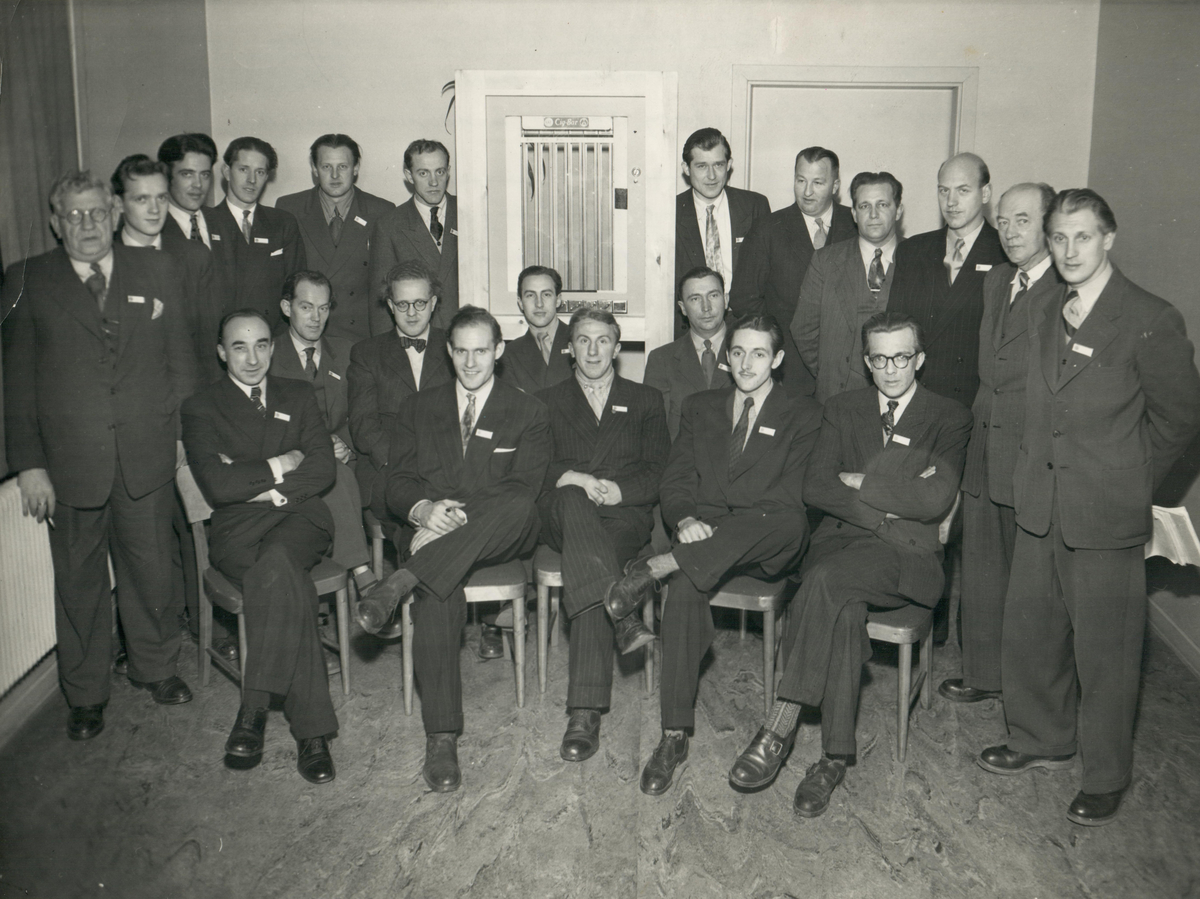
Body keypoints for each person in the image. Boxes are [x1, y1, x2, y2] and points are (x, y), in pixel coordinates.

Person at [979, 189, 1200, 826]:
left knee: (1106, 652)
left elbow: (1181, 418)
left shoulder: (1149, 316)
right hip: (1040, 504)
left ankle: (1106, 773)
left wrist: (1128, 479)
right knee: (1033, 633)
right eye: (1058, 238)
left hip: (1104, 515)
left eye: (1082, 237)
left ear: (1109, 239)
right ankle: (1040, 739)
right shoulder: (1047, 307)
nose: (1069, 250)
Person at [728, 311, 971, 817]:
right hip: (846, 548)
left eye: (901, 357)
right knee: (841, 605)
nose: (890, 369)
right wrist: (893, 505)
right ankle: (835, 759)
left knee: (824, 583)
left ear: (919, 359)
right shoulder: (841, 408)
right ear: (866, 361)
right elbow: (816, 485)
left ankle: (779, 725)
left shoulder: (950, 416)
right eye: (879, 358)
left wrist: (862, 483)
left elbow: (937, 496)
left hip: (907, 559)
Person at [2, 170, 197, 740]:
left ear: (115, 214)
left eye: (96, 213)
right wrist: (30, 465)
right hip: (69, 466)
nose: (87, 225)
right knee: (79, 582)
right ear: (56, 223)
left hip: (146, 454)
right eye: (74, 215)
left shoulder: (156, 268)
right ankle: (85, 694)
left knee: (152, 571)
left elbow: (179, 361)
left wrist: (184, 438)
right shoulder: (28, 279)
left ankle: (155, 668)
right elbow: (15, 383)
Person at [620, 314, 822, 796]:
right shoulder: (701, 406)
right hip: (704, 537)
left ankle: (656, 567)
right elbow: (677, 478)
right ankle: (673, 735)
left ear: (777, 359)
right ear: (726, 357)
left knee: (787, 518)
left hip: (767, 539)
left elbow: (789, 498)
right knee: (686, 591)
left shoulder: (804, 412)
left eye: (758, 353)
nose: (746, 362)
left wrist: (704, 536)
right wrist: (686, 519)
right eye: (737, 352)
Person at [354, 307, 550, 793]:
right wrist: (422, 510)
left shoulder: (529, 411)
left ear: (499, 352)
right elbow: (395, 482)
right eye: (460, 350)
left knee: (521, 502)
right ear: (448, 351)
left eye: (481, 350)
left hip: (499, 531)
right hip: (428, 530)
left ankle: (400, 580)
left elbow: (524, 487)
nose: (470, 361)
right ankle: (441, 735)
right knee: (440, 592)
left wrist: (452, 518)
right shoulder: (418, 407)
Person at [181, 310, 339, 784]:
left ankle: (252, 709)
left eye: (262, 345)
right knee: (286, 579)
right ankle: (312, 735)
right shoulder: (201, 407)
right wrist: (280, 464)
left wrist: (260, 482)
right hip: (238, 530)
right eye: (239, 347)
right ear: (220, 351)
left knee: (278, 563)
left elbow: (323, 468)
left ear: (273, 346)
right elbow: (216, 483)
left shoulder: (298, 393)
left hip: (300, 519)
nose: (253, 358)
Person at [940, 182, 1060, 705]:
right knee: (983, 570)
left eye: (1024, 221)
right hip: (984, 441)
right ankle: (984, 674)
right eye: (1004, 221)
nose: (1010, 232)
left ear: (1049, 226)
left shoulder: (1065, 289)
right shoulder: (999, 281)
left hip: (1031, 452)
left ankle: (1027, 694)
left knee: (1029, 583)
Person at [535, 309, 670, 761]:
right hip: (564, 513)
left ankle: (586, 709)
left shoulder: (646, 399)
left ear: (618, 347)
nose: (593, 350)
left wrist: (619, 491)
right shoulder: (546, 400)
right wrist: (571, 475)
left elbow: (661, 472)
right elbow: (531, 469)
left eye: (603, 341)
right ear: (569, 347)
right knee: (574, 500)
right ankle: (622, 617)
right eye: (584, 340)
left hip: (622, 516)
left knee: (592, 565)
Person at [270, 270, 375, 594]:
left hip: (347, 459)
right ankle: (363, 573)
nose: (316, 318)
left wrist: (344, 443)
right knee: (332, 472)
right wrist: (317, 449)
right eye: (306, 307)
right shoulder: (268, 355)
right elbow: (267, 427)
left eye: (324, 308)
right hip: (294, 465)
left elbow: (363, 413)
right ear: (287, 307)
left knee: (343, 472)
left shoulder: (347, 352)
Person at [732, 146, 856, 392]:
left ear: (835, 186)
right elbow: (744, 300)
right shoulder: (768, 229)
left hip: (847, 369)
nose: (807, 192)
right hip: (788, 369)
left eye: (818, 182)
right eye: (801, 180)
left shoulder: (855, 225)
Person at [887, 153, 1006, 405]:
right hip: (917, 396)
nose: (951, 202)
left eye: (963, 190)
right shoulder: (914, 250)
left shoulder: (1004, 253)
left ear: (985, 194)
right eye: (943, 191)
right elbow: (896, 328)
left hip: (973, 401)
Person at [347, 260, 454, 527]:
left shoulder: (455, 345)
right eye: (402, 304)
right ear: (391, 306)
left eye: (419, 303)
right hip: (389, 468)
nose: (412, 313)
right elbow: (364, 427)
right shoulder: (367, 353)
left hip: (445, 465)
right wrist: (403, 463)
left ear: (433, 303)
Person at [793, 171, 904, 403]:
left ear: (899, 210)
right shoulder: (825, 261)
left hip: (900, 396)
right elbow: (804, 330)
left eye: (882, 204)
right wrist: (831, 373)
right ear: (854, 213)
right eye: (864, 206)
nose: (873, 214)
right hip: (836, 397)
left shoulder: (918, 260)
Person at [112, 154, 223, 383]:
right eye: (142, 199)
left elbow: (209, 349)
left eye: (161, 198)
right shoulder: (102, 260)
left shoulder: (196, 256)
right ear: (119, 204)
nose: (155, 209)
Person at [275, 134, 395, 343]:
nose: (335, 175)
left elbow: (385, 288)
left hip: (359, 336)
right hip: (307, 332)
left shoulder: (381, 211)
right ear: (314, 169)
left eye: (343, 167)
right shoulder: (289, 208)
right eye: (326, 167)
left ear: (356, 168)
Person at [673, 128, 770, 337]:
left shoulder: (755, 206)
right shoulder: (669, 212)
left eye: (718, 165)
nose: (711, 176)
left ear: (729, 165)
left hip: (747, 327)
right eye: (701, 166)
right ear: (686, 169)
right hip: (690, 330)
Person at [205, 136, 307, 330]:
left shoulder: (283, 223)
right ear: (227, 172)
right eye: (243, 169)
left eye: (260, 172)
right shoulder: (206, 222)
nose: (251, 180)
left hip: (271, 337)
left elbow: (296, 291)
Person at [369, 140, 459, 334]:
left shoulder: (469, 214)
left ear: (448, 171)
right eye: (423, 173)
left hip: (466, 337)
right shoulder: (389, 226)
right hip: (418, 338)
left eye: (440, 172)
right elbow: (382, 301)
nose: (433, 182)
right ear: (409, 176)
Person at [643, 266, 734, 440]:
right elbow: (654, 432)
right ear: (682, 308)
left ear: (726, 300)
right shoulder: (661, 360)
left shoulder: (750, 352)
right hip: (682, 464)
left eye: (713, 295)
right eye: (695, 299)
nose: (706, 307)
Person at [499, 265, 574, 393]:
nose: (539, 303)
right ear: (520, 302)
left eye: (546, 294)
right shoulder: (509, 353)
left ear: (558, 300)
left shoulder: (580, 340)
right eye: (530, 295)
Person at [158, 132, 219, 250]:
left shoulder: (224, 223)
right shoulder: (153, 226)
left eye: (205, 175)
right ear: (166, 175)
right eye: (187, 174)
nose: (198, 184)